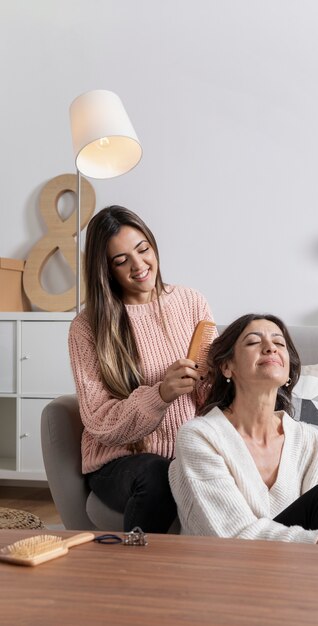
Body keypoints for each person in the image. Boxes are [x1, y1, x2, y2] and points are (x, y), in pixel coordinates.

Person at [169, 313, 318, 551]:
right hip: (225, 567)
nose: (270, 348)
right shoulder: (200, 436)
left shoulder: (308, 440)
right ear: (227, 367)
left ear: (288, 370)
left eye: (279, 343)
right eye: (253, 342)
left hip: (291, 569)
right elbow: (232, 533)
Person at [68, 205, 216, 533]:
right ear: (105, 270)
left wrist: (214, 377)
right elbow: (99, 421)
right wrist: (160, 394)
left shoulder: (192, 302)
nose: (139, 266)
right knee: (157, 475)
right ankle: (136, 578)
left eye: (143, 249)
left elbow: (212, 397)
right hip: (118, 461)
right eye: (121, 261)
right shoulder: (87, 327)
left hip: (187, 452)